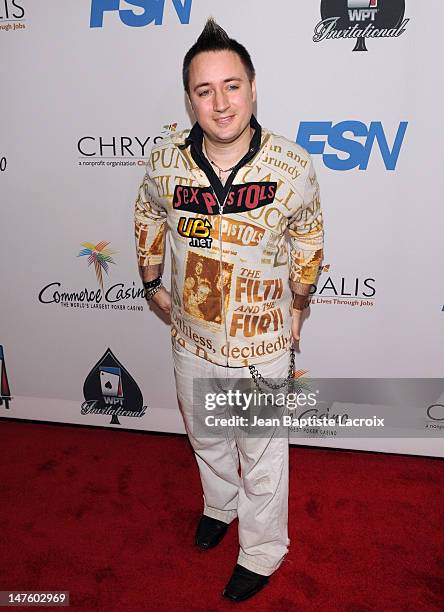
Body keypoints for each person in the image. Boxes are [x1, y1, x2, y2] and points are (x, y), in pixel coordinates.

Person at [134, 18, 324, 602]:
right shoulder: (165, 161)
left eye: (232, 85)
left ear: (253, 87)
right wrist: (150, 281)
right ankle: (219, 506)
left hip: (261, 341)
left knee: (263, 455)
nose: (221, 103)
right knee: (209, 441)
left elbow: (310, 238)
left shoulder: (292, 167)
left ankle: (265, 549)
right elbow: (147, 213)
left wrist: (297, 303)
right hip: (190, 338)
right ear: (189, 98)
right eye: (204, 90)